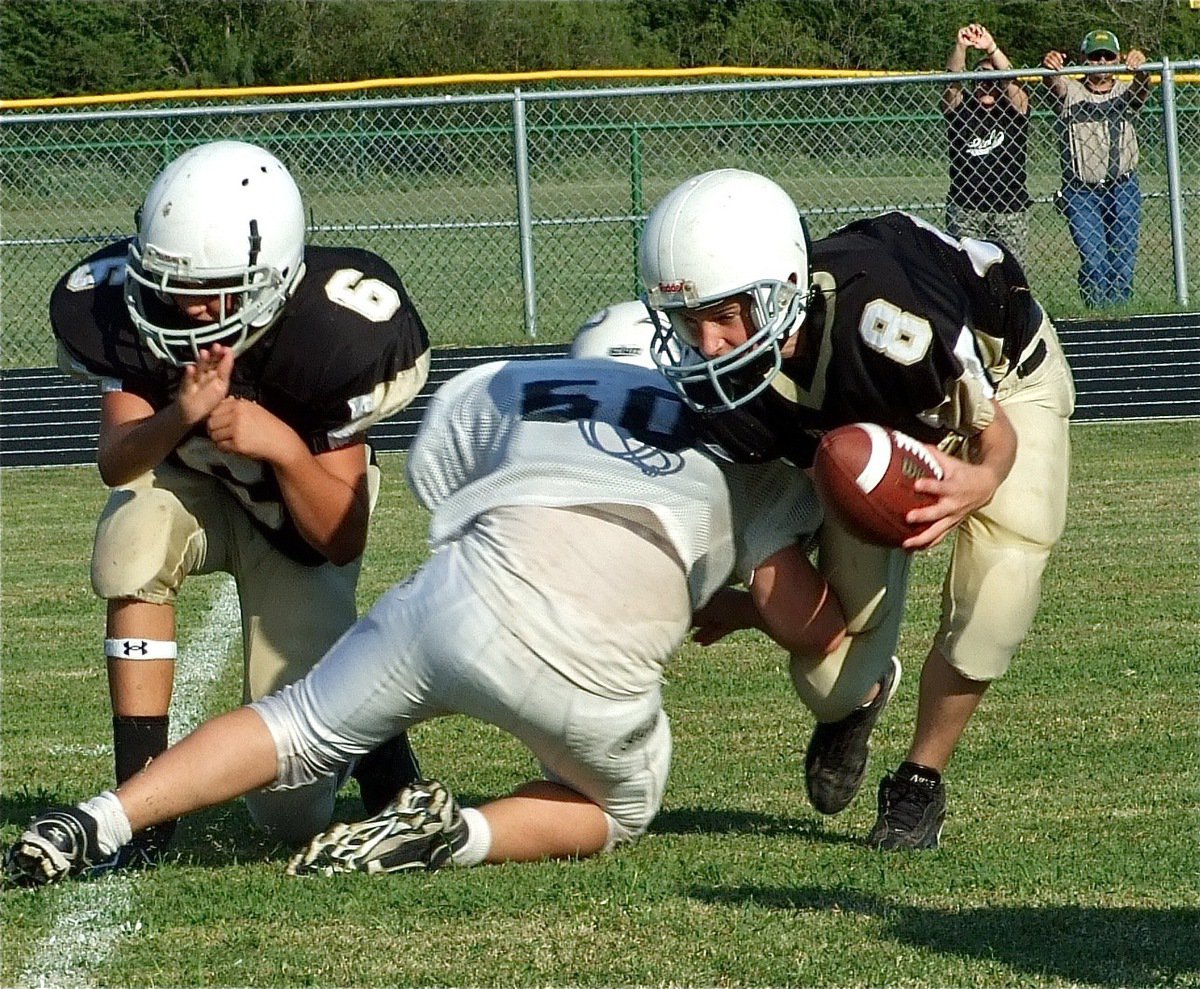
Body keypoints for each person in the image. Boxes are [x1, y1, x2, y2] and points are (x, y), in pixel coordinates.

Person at [5, 303, 838, 885]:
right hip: (588, 664)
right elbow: (798, 618)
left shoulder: (526, 388)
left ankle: (103, 818)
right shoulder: (738, 444)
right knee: (618, 804)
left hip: (453, 601)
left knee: (292, 724)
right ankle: (459, 833)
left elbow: (444, 475)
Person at [638, 169, 1075, 850]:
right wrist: (750, 603)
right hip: (868, 432)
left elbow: (994, 435)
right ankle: (864, 704)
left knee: (998, 597)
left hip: (1004, 385)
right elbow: (782, 512)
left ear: (781, 287)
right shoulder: (730, 390)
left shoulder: (883, 320)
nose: (707, 345)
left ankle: (919, 781)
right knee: (829, 681)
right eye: (688, 323)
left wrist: (978, 482)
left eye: (723, 317)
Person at [48, 140, 431, 871]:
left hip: (294, 525)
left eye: (214, 288)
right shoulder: (130, 310)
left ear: (274, 277)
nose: (186, 306)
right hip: (190, 493)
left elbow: (339, 538)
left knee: (291, 810)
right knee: (131, 534)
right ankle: (141, 805)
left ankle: (381, 749)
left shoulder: (333, 332)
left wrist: (282, 445)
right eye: (168, 282)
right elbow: (116, 461)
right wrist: (179, 415)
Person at [1042, 31, 1151, 308]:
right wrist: (1050, 67)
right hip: (1081, 190)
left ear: (1117, 58)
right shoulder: (1073, 91)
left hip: (1123, 185)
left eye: (1107, 56)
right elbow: (1054, 84)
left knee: (1123, 258)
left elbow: (1141, 90)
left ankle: (1120, 314)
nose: (1101, 61)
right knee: (1094, 260)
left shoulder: (1123, 90)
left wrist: (1142, 69)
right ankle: (1096, 312)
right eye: (1094, 56)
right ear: (1083, 60)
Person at [943, 23, 1031, 269]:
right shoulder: (963, 111)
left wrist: (991, 48)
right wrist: (961, 46)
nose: (986, 84)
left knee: (1012, 275)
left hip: (1009, 208)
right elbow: (951, 85)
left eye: (993, 79)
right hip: (967, 207)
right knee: (965, 275)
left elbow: (1013, 82)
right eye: (980, 79)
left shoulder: (1013, 112)